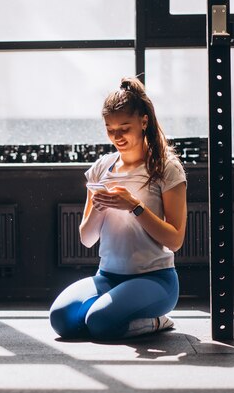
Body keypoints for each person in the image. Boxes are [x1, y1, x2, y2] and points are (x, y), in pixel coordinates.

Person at [49, 76, 187, 340]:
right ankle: (116, 314)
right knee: (61, 320)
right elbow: (87, 239)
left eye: (124, 127)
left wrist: (134, 206)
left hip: (155, 279)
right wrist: (101, 207)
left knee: (100, 322)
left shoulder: (166, 168)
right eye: (110, 129)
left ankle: (159, 320)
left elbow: (176, 239)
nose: (117, 136)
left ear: (143, 122)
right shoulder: (102, 168)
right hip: (108, 276)